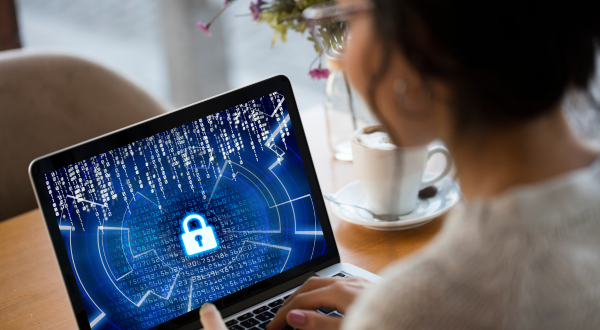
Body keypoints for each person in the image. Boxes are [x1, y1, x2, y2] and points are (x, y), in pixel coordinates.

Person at [200, 0, 600, 328]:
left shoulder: (429, 305)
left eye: (349, 17)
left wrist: (401, 311)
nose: (341, 43)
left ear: (419, 53)